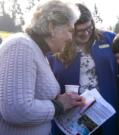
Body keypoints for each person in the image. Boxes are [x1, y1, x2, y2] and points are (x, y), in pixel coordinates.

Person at [0, 1, 85, 135]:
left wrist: (62, 101)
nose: (71, 37)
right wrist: (60, 105)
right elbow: (16, 110)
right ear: (52, 27)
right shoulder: (20, 46)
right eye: (69, 30)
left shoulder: (38, 52)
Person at [47, 3, 119, 135]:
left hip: (104, 114)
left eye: (89, 28)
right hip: (71, 118)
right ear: (69, 29)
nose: (86, 33)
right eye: (80, 31)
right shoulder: (56, 47)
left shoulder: (109, 39)